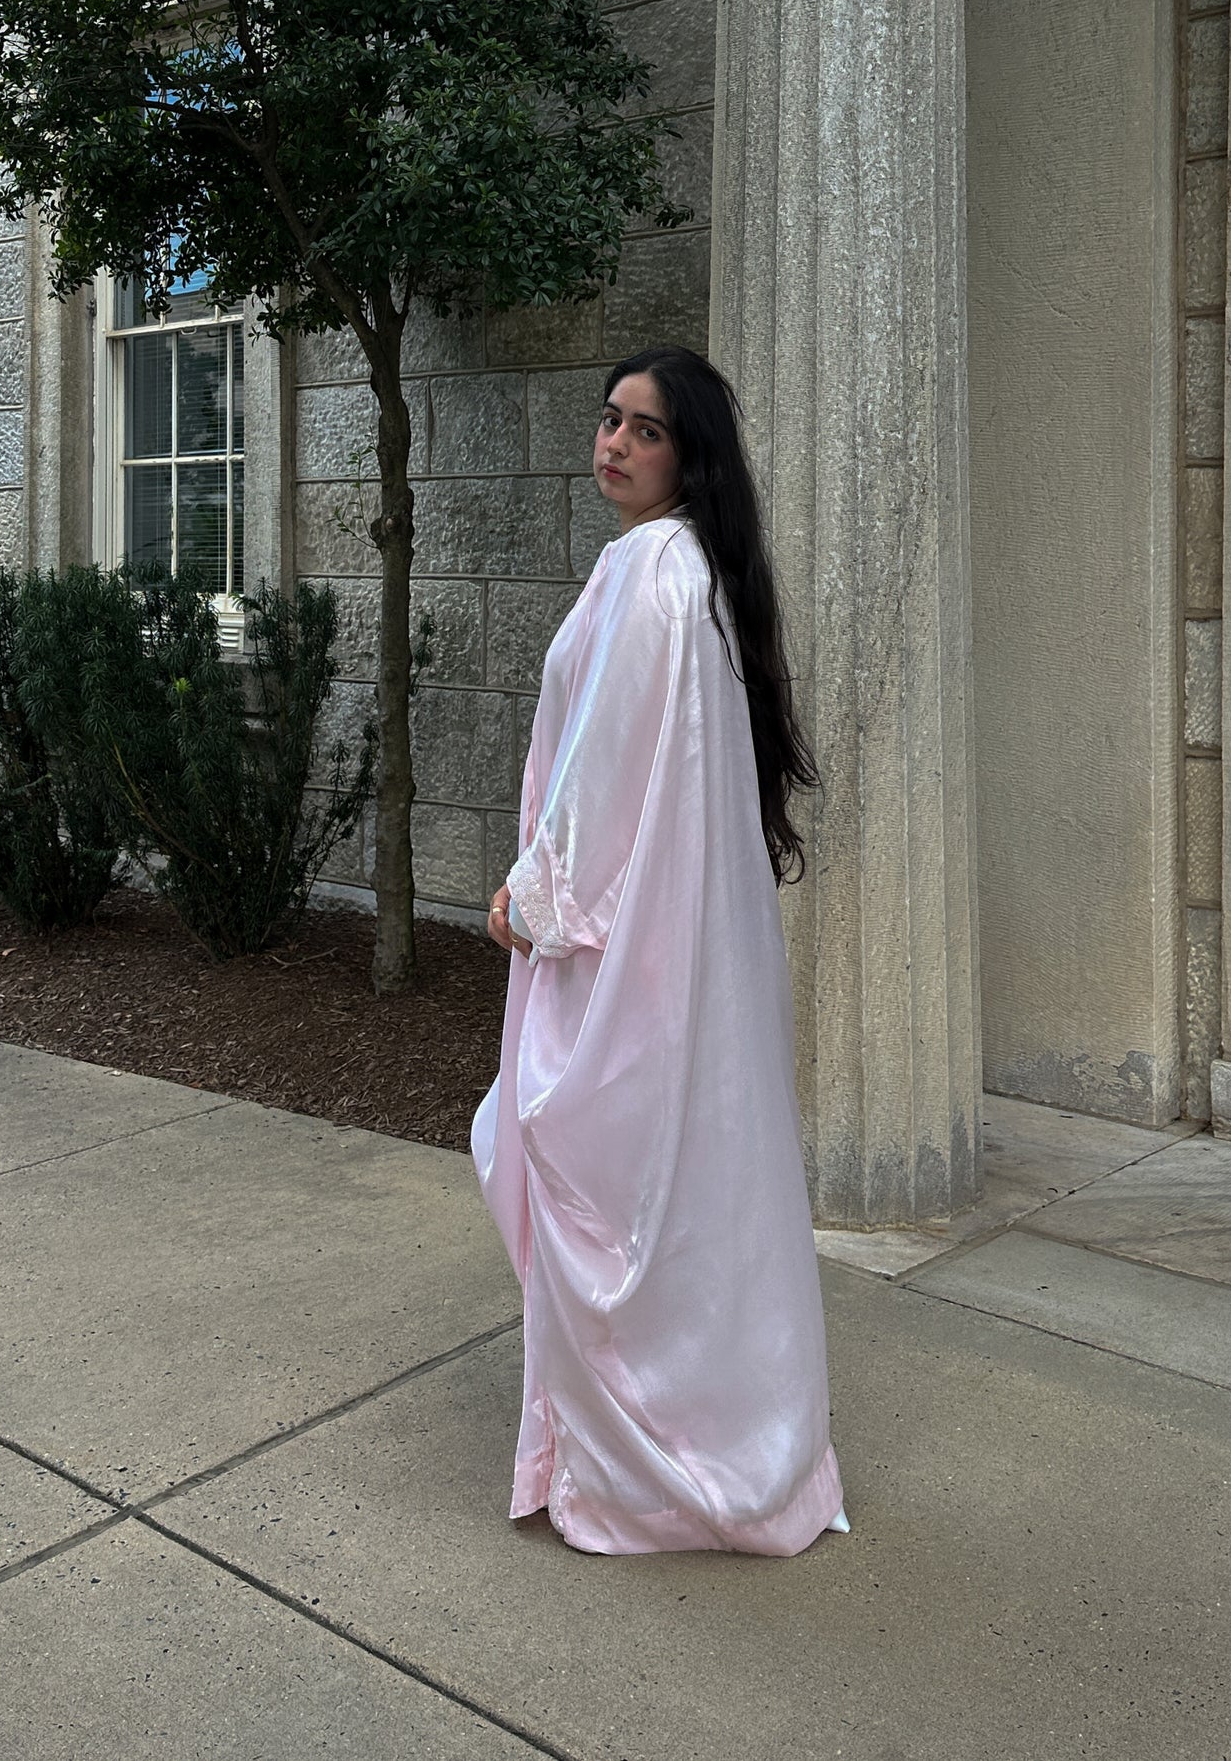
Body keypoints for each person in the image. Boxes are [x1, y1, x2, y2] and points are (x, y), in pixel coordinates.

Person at [471, 344, 848, 1556]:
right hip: (667, 938)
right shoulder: (688, 571)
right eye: (608, 419)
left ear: (688, 456)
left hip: (626, 940)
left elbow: (610, 758)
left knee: (614, 1182)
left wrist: (534, 895)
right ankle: (715, 1436)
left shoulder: (653, 573)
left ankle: (640, 1472)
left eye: (642, 429)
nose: (613, 442)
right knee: (684, 1185)